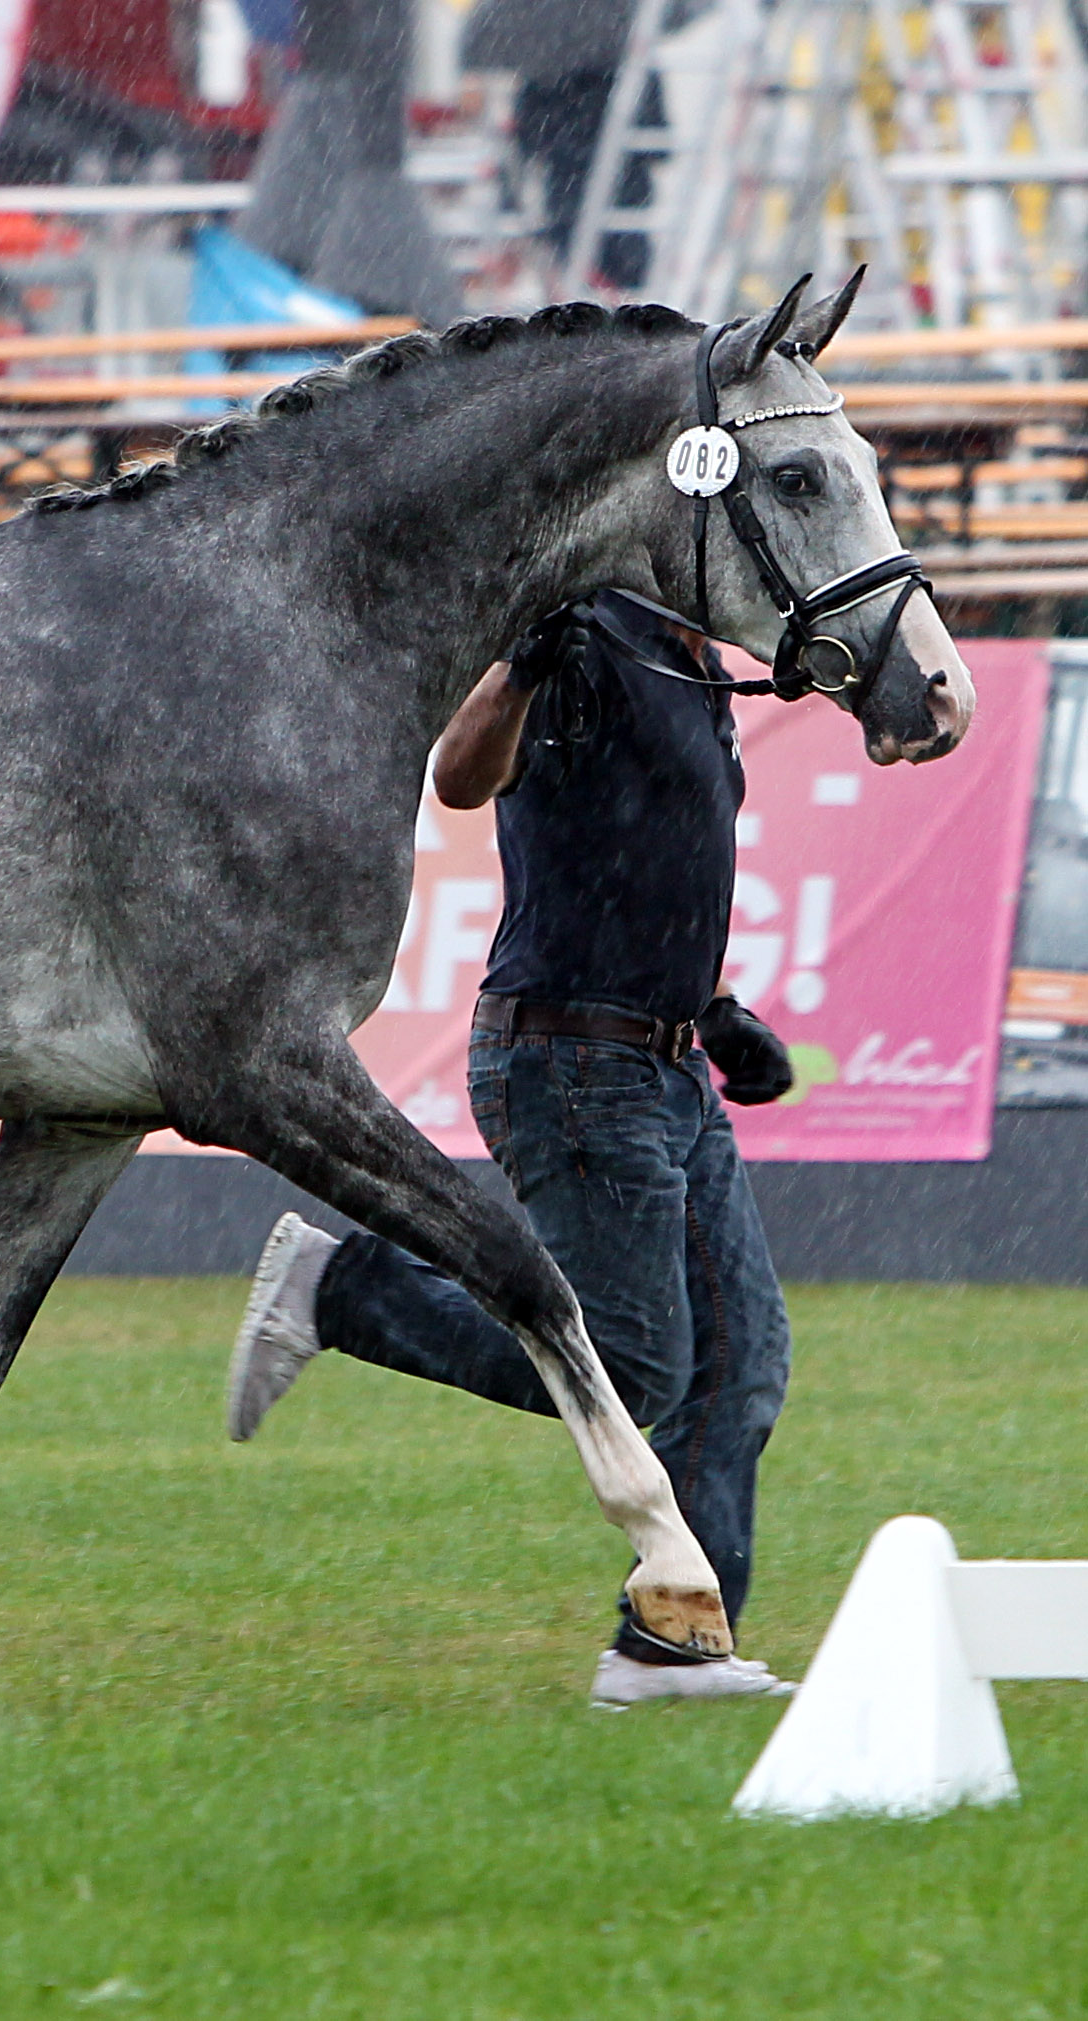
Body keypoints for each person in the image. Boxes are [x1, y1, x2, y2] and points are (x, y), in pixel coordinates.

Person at [227, 590, 800, 1707]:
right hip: (574, 1059)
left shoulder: (696, 661)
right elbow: (459, 772)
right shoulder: (586, 629)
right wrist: (520, 667)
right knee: (636, 1366)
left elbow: (645, 858)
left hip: (665, 1058)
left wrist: (716, 1003)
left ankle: (670, 1650)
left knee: (740, 1363)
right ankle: (341, 1288)